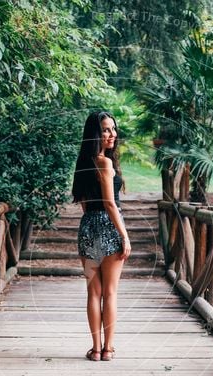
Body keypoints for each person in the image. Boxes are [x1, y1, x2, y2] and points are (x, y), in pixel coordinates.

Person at [71, 111, 132, 361]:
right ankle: (107, 349)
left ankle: (95, 349)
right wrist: (124, 236)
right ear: (96, 134)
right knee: (111, 292)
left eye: (113, 129)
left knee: (93, 292)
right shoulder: (105, 163)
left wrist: (92, 223)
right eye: (106, 130)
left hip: (88, 227)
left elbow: (85, 203)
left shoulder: (84, 163)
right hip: (109, 225)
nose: (112, 134)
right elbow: (110, 203)